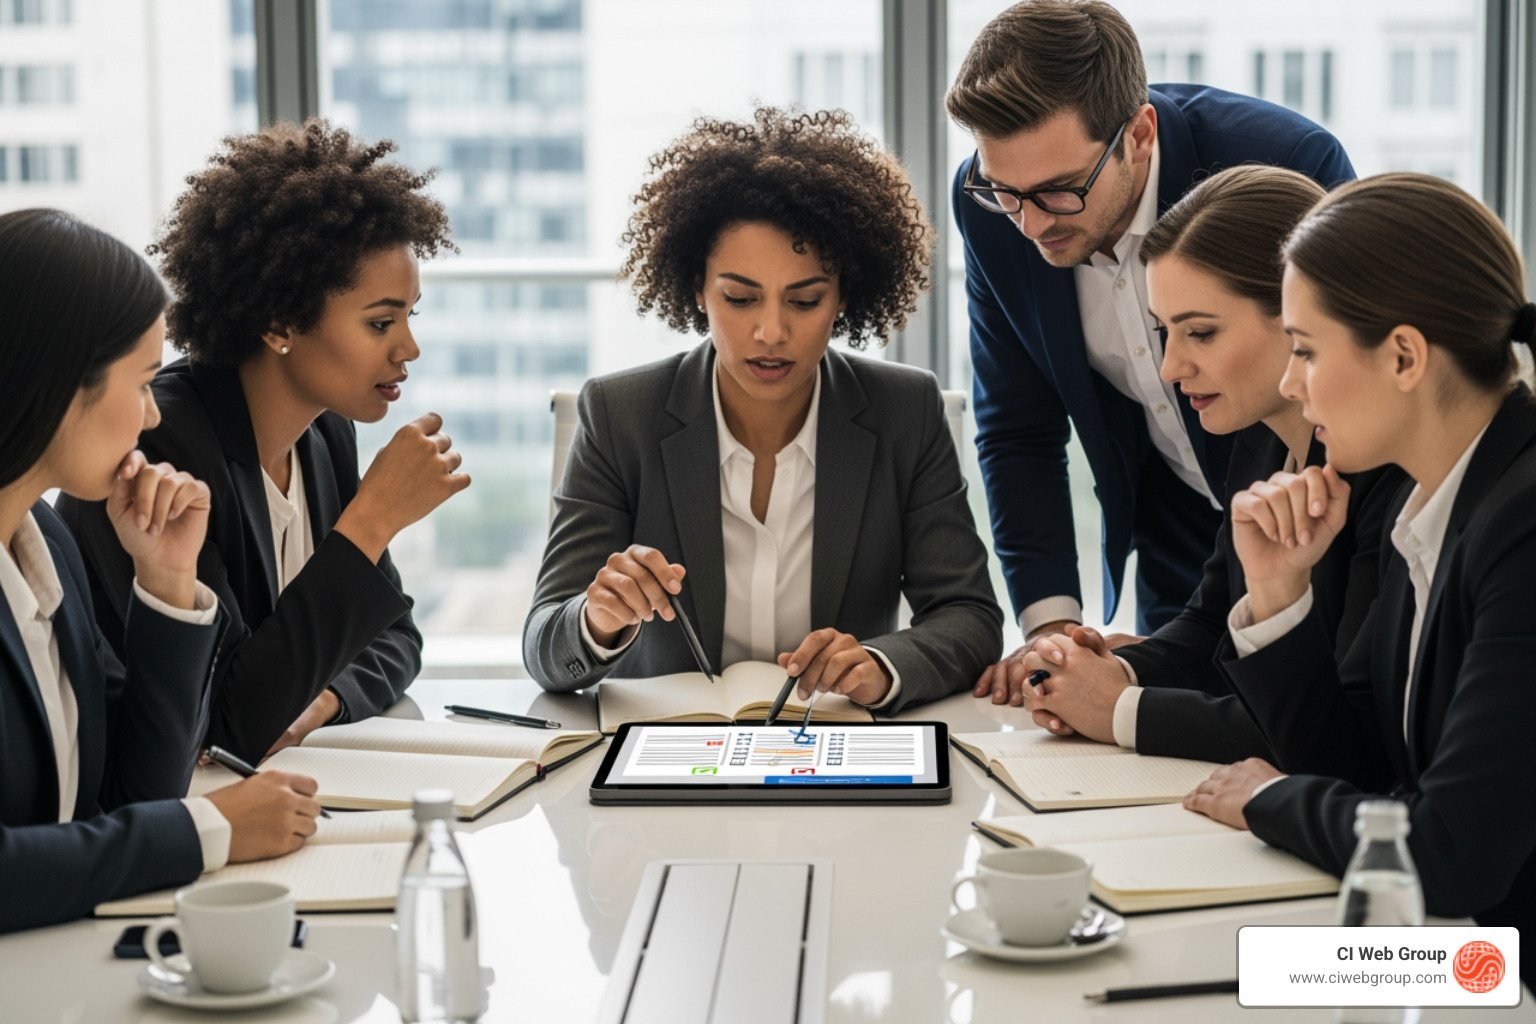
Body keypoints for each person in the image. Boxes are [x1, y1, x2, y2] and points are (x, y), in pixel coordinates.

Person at [1174, 174, 1536, 981]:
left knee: (1227, 975)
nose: (1292, 383)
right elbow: (1361, 767)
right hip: (1461, 946)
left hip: (1489, 962)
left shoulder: (1522, 521)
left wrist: (1267, 801)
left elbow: (1451, 853)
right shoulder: (1430, 501)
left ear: (1404, 356)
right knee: (1194, 968)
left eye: (1304, 349)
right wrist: (1278, 595)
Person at [523, 108, 1003, 711]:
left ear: (844, 296)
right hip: (667, 763)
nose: (771, 331)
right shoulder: (620, 414)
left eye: (804, 300)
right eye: (740, 298)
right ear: (697, 289)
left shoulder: (905, 412)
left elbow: (970, 616)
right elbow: (545, 646)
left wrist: (882, 667)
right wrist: (598, 619)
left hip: (835, 753)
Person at [947, 0, 1356, 696]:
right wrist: (1053, 630)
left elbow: (1347, 377)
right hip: (1177, 541)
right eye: (1006, 192)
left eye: (1059, 190)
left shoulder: (1288, 164)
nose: (1031, 223)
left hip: (1317, 523)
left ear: (1138, 134)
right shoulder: (987, 210)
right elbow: (1018, 430)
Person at [58, 120, 468, 764]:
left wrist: (321, 701)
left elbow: (396, 637)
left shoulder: (325, 431)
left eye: (410, 317)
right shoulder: (161, 446)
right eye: (381, 322)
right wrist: (373, 519)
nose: (409, 348)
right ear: (281, 321)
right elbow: (228, 718)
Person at [996, 166, 1405, 766]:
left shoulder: (1387, 470)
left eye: (1202, 333)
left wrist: (1118, 710)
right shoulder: (1259, 442)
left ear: (1297, 317)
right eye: (1166, 332)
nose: (1169, 368)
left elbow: (1335, 721)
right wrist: (1101, 670)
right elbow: (1213, 624)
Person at [0, 209, 322, 933]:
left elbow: (138, 789)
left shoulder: (43, 541)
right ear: (57, 381)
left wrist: (168, 582)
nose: (151, 417)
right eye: (143, 382)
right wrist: (206, 830)